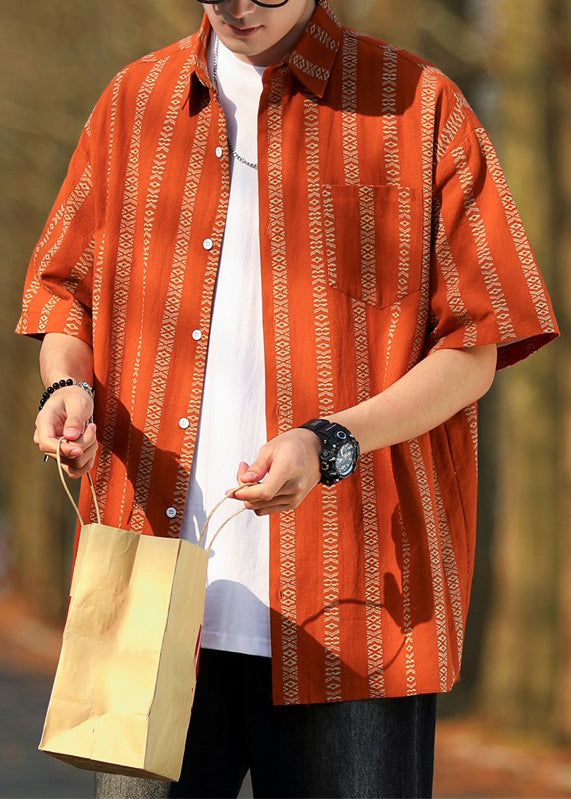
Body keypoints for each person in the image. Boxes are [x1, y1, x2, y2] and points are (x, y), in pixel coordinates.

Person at [17, 0, 558, 796]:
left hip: (359, 607)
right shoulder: (133, 102)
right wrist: (69, 384)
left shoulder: (418, 104)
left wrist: (331, 439)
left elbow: (475, 341)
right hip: (150, 605)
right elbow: (65, 293)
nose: (239, 9)